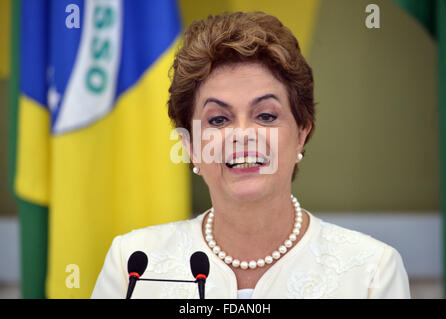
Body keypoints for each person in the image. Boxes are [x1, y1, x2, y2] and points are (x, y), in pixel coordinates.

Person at [91, 11, 410, 299]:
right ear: (191, 147)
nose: (243, 134)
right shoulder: (133, 266)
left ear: (301, 134)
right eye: (218, 119)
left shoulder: (372, 272)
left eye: (266, 116)